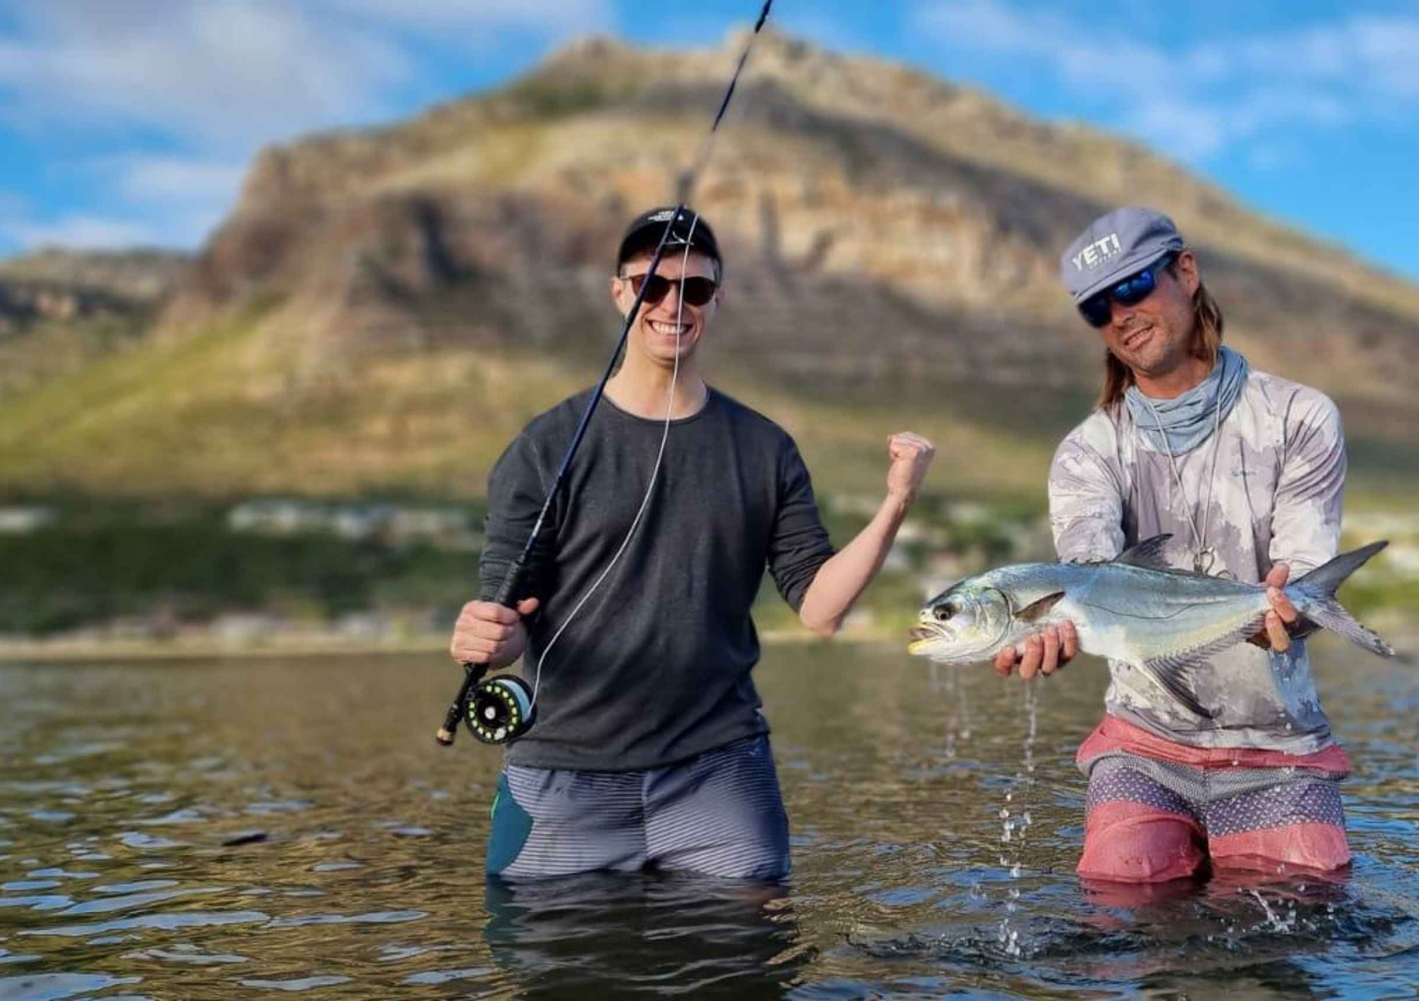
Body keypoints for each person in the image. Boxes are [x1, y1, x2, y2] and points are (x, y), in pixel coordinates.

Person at [450, 206, 935, 880]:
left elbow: (822, 610)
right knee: (537, 943)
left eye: (695, 288)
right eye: (651, 284)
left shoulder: (765, 449)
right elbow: (507, 619)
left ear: (716, 300)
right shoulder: (542, 446)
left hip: (718, 768)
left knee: (751, 939)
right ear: (619, 292)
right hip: (564, 775)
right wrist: (485, 636)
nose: (672, 304)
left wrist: (897, 501)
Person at [1000, 206, 1353, 884]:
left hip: (1278, 747)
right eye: (1097, 307)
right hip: (1142, 745)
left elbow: (1303, 573)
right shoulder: (1085, 452)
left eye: (1133, 286)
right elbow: (1087, 579)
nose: (1120, 315)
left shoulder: (1300, 416)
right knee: (1120, 895)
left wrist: (1292, 608)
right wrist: (1044, 632)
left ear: (1185, 272)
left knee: (1304, 907)